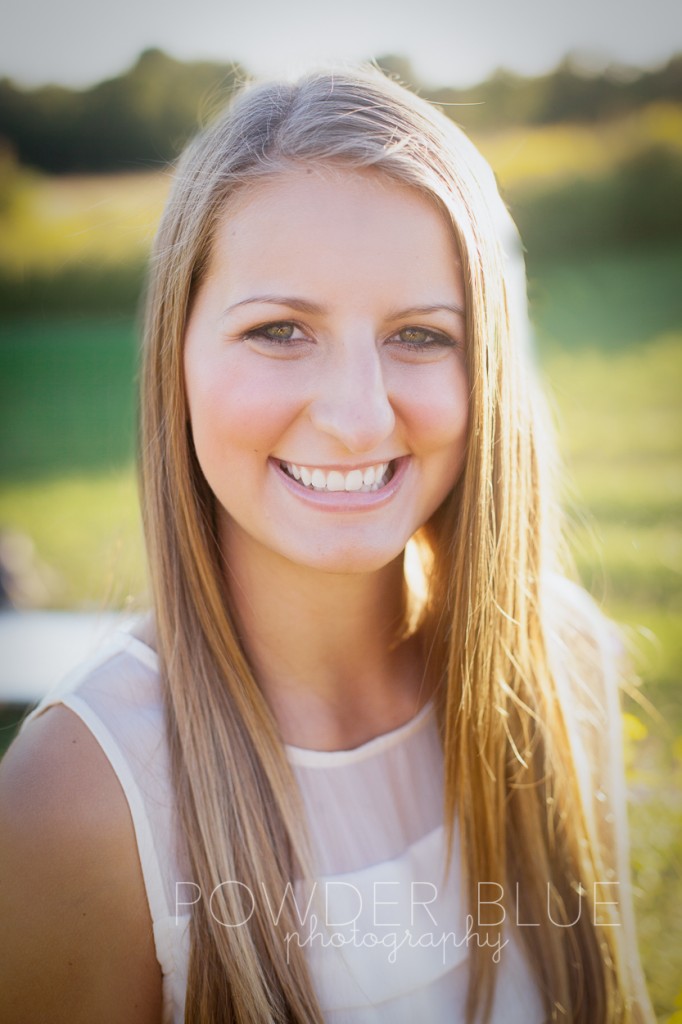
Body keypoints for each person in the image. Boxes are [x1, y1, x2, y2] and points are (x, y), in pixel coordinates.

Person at [0, 66, 654, 1024]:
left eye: (422, 337)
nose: (355, 417)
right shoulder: (76, 801)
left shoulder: (562, 668)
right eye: (278, 329)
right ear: (177, 356)